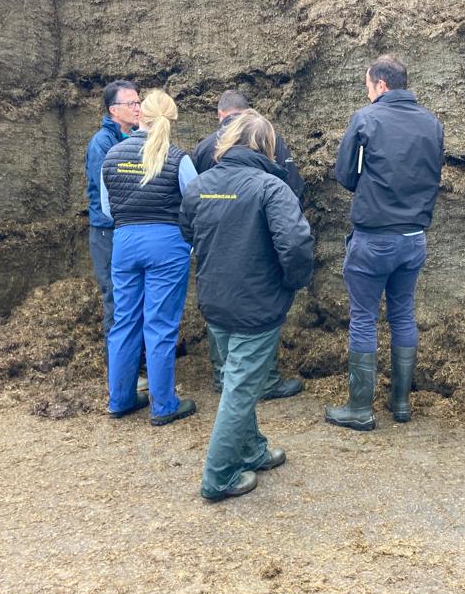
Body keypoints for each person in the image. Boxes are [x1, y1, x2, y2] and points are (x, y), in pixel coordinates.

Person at [180, 111, 314, 501]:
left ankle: (252, 449)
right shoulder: (271, 188)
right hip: (257, 305)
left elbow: (188, 231)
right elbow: (296, 245)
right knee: (240, 387)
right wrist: (290, 283)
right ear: (266, 147)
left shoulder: (200, 186)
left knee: (239, 380)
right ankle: (218, 476)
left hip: (215, 300)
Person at [324, 55, 444, 431]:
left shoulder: (367, 118)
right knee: (403, 313)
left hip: (374, 238)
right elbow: (434, 174)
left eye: (368, 85)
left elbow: (344, 175)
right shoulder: (432, 123)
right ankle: (401, 402)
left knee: (364, 318)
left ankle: (360, 408)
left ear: (380, 84)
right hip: (413, 239)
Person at [190, 90, 306, 401]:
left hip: (214, 246)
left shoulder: (204, 147)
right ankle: (264, 382)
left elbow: (189, 211)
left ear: (220, 115)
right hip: (259, 239)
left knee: (222, 313)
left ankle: (221, 376)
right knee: (259, 315)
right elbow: (292, 190)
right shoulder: (270, 141)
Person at [100, 90, 198, 426]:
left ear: (140, 115)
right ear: (171, 119)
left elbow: (107, 208)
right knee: (160, 324)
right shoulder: (177, 157)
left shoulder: (112, 154)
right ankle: (163, 405)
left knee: (125, 321)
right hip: (167, 243)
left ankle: (121, 399)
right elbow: (195, 203)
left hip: (125, 241)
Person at [85, 80, 141, 362]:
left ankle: (137, 362)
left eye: (138, 102)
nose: (137, 108)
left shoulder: (134, 137)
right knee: (116, 299)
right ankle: (121, 369)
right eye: (131, 104)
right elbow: (107, 193)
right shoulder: (102, 144)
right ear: (113, 110)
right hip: (108, 232)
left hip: (128, 229)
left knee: (135, 298)